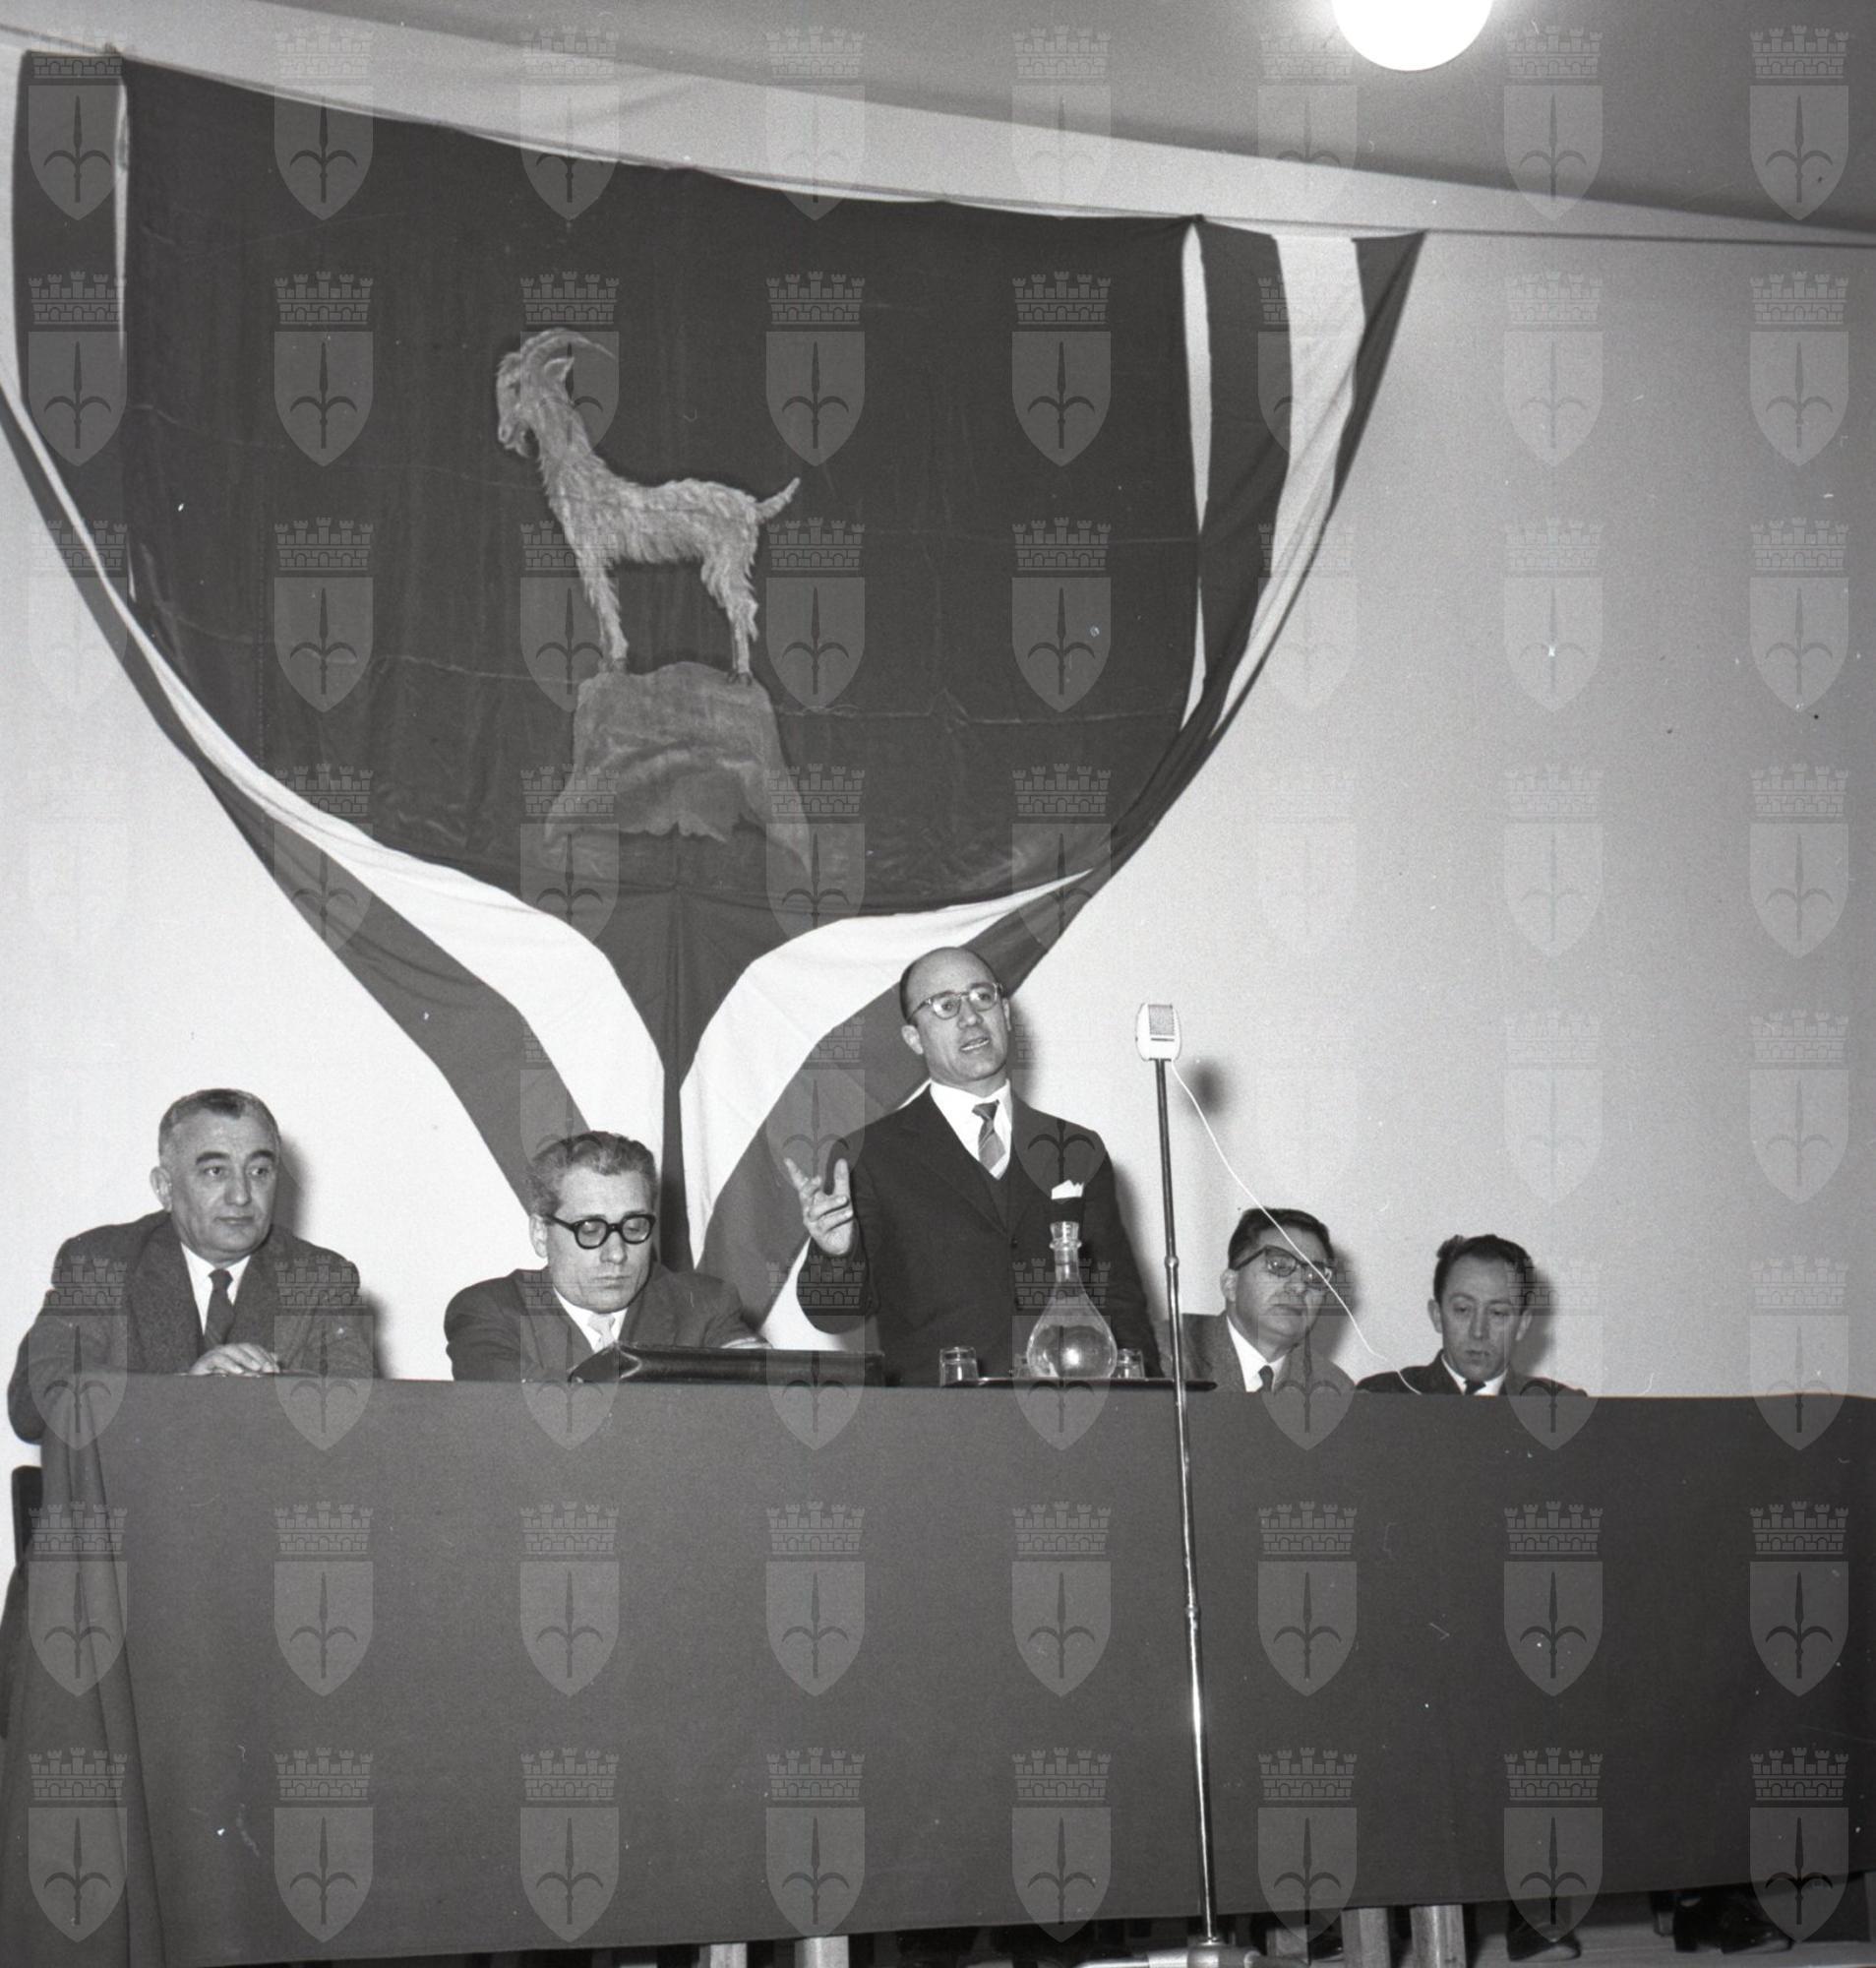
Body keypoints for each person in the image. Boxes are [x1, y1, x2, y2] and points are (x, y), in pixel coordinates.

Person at [787, 945, 1157, 1384]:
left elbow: (1121, 1303)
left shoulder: (1076, 1148)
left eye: (982, 996)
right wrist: (835, 1254)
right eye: (945, 1006)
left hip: (1069, 1409)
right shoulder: (868, 1155)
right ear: (914, 1038)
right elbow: (834, 1315)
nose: (970, 1017)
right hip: (940, 1418)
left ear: (1006, 1013)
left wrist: (1147, 1412)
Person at [7, 1088, 372, 1443]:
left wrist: (260, 1392)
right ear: (165, 1188)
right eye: (215, 1171)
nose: (241, 1195)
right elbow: (32, 1404)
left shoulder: (320, 1277)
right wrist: (179, 1393)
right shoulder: (101, 1262)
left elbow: (359, 1413)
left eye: (259, 1171)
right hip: (138, 1485)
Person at [446, 1131, 756, 1378]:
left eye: (634, 1227)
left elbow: (754, 1410)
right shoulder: (490, 1311)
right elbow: (524, 1414)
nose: (617, 1254)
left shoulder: (704, 1306)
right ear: (541, 1233)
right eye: (590, 1230)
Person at [1357, 1232, 1574, 1398]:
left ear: (1523, 1324)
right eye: (1463, 1310)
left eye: (1498, 1313)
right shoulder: (1381, 1397)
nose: (1478, 1332)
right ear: (1437, 1315)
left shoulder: (1560, 1407)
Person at [1182, 1205, 1355, 1397]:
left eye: (1315, 1276)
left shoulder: (1334, 1390)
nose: (1299, 1287)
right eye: (1279, 1265)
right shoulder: (1167, 1357)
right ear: (1230, 1285)